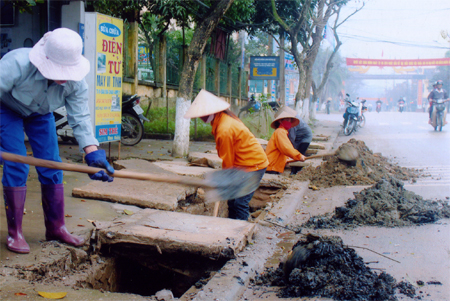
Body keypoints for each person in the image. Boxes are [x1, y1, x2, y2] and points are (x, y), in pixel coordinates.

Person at [0, 28, 115, 254]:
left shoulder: (77, 83)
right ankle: (15, 233)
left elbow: (80, 117)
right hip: (6, 108)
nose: (63, 75)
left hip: (41, 114)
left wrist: (93, 154)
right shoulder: (16, 64)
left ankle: (56, 227)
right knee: (17, 162)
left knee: (52, 164)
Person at [184, 89, 268, 221]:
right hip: (243, 164)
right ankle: (231, 225)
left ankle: (240, 232)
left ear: (210, 112)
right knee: (232, 200)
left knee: (240, 203)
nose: (200, 117)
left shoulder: (225, 128)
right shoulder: (221, 120)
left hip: (253, 165)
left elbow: (227, 160)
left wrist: (225, 179)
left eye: (202, 114)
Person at [265, 106, 306, 175]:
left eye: (290, 120)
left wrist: (287, 158)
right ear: (280, 121)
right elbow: (286, 148)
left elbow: (282, 149)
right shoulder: (280, 132)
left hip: (273, 165)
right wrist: (299, 156)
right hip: (272, 165)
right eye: (287, 120)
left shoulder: (282, 131)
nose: (289, 122)